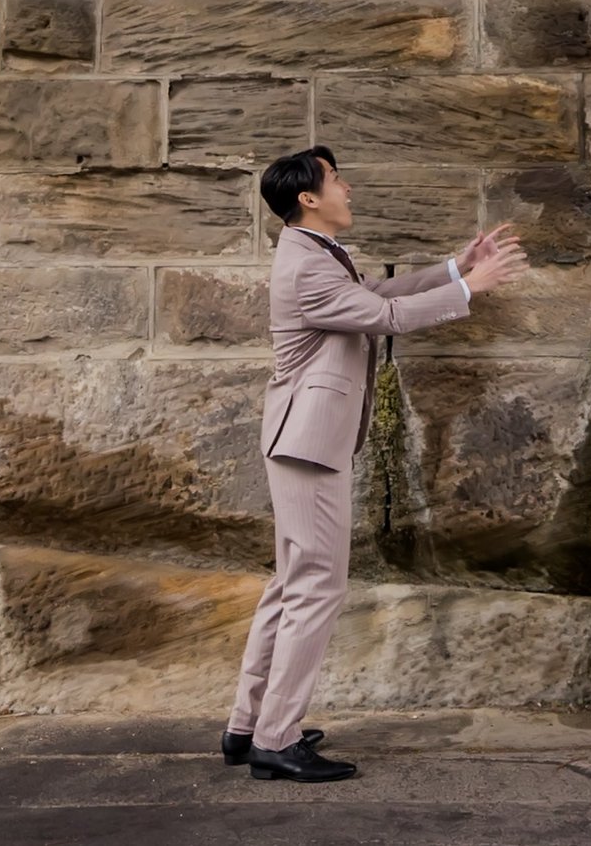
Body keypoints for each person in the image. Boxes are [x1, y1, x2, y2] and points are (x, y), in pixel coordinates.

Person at [224, 145, 528, 783]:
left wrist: (454, 268)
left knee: (290, 584)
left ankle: (248, 726)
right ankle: (275, 740)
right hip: (309, 442)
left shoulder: (315, 253)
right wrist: (470, 289)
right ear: (308, 197)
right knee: (317, 587)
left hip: (306, 439)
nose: (348, 189)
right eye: (336, 180)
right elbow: (385, 317)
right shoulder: (306, 266)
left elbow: (372, 294)